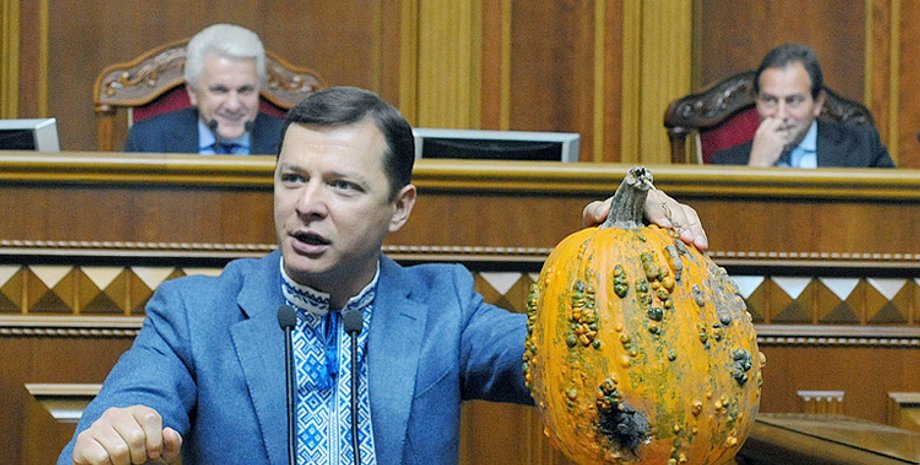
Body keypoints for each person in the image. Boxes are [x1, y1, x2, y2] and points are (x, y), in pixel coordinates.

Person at [59, 86, 708, 465]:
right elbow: (121, 412)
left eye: (342, 185)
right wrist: (114, 432)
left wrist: (636, 251)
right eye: (293, 178)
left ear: (399, 207)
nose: (307, 204)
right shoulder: (195, 311)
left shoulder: (444, 305)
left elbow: (583, 360)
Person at [711, 43, 895, 168]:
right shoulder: (725, 164)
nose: (781, 114)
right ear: (756, 101)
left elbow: (893, 211)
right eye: (770, 100)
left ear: (817, 103)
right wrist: (757, 167)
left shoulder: (863, 148)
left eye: (793, 101)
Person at [124, 23, 284, 155]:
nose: (233, 105)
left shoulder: (288, 141)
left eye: (245, 90)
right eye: (220, 90)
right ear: (193, 93)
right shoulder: (149, 142)